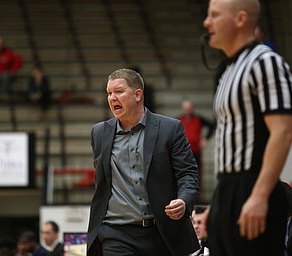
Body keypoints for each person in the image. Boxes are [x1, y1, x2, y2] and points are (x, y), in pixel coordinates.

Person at [203, 0, 292, 255]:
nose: (206, 22)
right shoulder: (226, 70)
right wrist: (218, 201)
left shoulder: (266, 62)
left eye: (214, 16)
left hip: (254, 186)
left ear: (241, 19)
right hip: (226, 188)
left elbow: (283, 131)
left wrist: (260, 196)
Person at [87, 68, 200, 256]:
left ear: (137, 94)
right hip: (116, 232)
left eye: (119, 91)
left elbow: (188, 173)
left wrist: (184, 200)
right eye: (109, 93)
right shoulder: (99, 133)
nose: (112, 98)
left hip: (162, 231)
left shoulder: (169, 129)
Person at [177, 99, 215, 174]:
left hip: (196, 151)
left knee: (197, 173)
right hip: (183, 152)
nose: (187, 111)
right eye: (185, 109)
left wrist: (205, 139)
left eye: (189, 109)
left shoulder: (198, 119)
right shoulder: (178, 120)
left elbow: (212, 126)